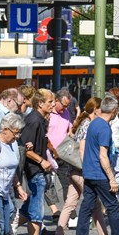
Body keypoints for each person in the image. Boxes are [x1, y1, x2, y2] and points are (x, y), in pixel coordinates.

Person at [72, 95, 119, 235]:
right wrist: (112, 178)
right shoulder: (104, 127)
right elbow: (103, 155)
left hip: (89, 172)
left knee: (86, 206)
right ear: (114, 111)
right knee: (112, 206)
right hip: (100, 173)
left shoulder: (93, 123)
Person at [52, 97, 111, 235]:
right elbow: (83, 150)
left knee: (69, 204)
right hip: (82, 170)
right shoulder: (88, 124)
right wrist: (88, 169)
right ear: (96, 109)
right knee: (96, 206)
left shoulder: (83, 123)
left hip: (74, 169)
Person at [19, 89, 55, 235]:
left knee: (27, 211)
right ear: (40, 103)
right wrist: (42, 161)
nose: (53, 104)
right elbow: (26, 149)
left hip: (37, 170)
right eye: (50, 101)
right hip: (34, 170)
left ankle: (6, 232)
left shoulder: (39, 119)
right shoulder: (34, 121)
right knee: (36, 213)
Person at [45, 89, 73, 222]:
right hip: (47, 153)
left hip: (63, 154)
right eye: (64, 105)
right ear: (56, 100)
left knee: (67, 183)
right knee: (46, 184)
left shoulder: (66, 112)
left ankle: (71, 214)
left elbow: (69, 129)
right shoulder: (48, 114)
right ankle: (54, 210)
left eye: (68, 106)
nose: (65, 108)